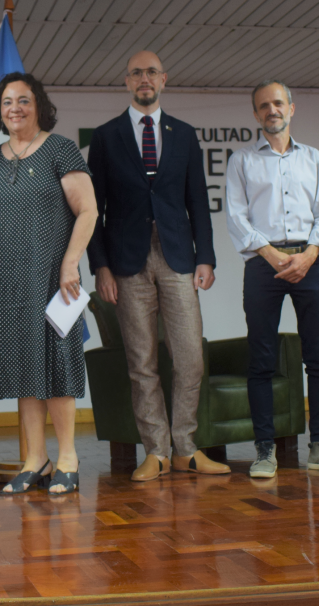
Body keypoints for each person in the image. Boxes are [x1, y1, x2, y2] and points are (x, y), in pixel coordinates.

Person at [86, 50, 228, 482]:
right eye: (136, 73)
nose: (144, 79)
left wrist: (206, 255)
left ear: (163, 79)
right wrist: (101, 267)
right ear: (126, 82)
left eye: (151, 72)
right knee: (141, 360)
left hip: (177, 257)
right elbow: (95, 208)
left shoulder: (183, 134)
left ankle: (185, 448)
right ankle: (157, 452)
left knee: (189, 358)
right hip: (127, 262)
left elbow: (197, 201)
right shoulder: (107, 136)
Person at [226, 80, 319, 479]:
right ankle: (265, 450)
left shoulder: (314, 159)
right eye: (263, 106)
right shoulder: (241, 161)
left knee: (318, 357)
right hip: (263, 264)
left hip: (311, 260)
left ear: (291, 108)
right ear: (256, 114)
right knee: (261, 359)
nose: (272, 110)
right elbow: (237, 217)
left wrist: (308, 255)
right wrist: (273, 255)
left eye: (278, 103)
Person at [0, 73, 98, 495]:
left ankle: (67, 456)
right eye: (7, 101)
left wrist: (71, 262)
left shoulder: (60, 149)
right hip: (4, 282)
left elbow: (88, 210)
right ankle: (36, 459)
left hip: (52, 276)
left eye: (24, 101)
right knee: (22, 367)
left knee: (57, 364)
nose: (15, 108)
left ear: (38, 105)